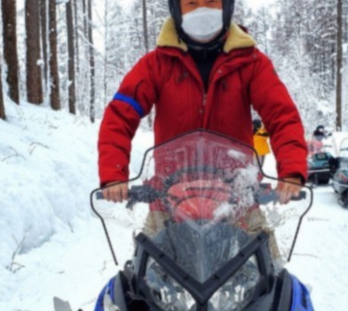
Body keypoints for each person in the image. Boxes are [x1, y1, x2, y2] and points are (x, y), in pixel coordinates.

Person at [98, 0, 306, 208]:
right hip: (169, 201)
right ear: (176, 10)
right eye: (191, 3)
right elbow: (120, 116)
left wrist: (291, 171)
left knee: (264, 240)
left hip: (238, 201)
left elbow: (282, 116)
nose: (202, 10)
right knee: (146, 240)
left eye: (211, 1)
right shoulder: (155, 65)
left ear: (226, 6)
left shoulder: (251, 63)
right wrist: (113, 174)